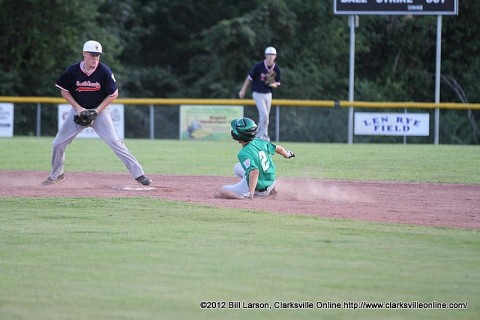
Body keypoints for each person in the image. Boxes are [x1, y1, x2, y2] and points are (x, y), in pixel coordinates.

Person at [42, 40, 152, 186]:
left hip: (100, 112)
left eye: (98, 55)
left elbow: (113, 94)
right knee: (57, 143)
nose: (95, 58)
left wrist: (96, 111)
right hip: (78, 112)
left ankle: (139, 174)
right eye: (92, 55)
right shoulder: (72, 70)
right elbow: (64, 91)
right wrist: (79, 108)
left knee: (115, 142)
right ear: (84, 54)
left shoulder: (104, 71)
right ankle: (57, 175)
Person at [220, 117, 295, 199]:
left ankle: (246, 195)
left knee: (223, 190)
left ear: (238, 135)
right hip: (272, 182)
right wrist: (287, 154)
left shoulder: (243, 153)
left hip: (259, 190)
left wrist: (250, 194)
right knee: (237, 167)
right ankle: (271, 189)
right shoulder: (260, 141)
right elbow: (280, 149)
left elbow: (254, 172)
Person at [238, 46, 281, 141]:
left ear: (275, 56)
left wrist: (272, 84)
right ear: (265, 55)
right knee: (264, 115)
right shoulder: (259, 66)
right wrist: (243, 90)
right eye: (269, 55)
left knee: (266, 117)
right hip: (257, 93)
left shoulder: (276, 68)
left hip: (268, 94)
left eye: (272, 55)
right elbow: (249, 78)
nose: (270, 57)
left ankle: (262, 136)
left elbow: (277, 83)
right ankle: (260, 136)